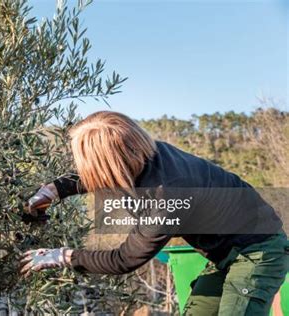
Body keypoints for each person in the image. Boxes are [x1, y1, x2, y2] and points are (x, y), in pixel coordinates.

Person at [19, 111, 288, 316]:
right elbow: (98, 174)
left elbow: (124, 259)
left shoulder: (167, 194)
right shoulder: (143, 152)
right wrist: (52, 190)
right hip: (225, 255)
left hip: (258, 253)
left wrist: (63, 256)